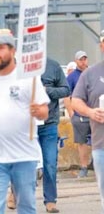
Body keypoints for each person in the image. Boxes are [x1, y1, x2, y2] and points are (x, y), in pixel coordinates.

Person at [0, 28, 50, 214]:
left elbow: (45, 111)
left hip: (24, 156)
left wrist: (39, 111)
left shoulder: (29, 78)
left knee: (26, 206)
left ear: (12, 51)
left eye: (1, 48)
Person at [71, 30, 104, 212]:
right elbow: (76, 100)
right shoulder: (90, 74)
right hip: (101, 145)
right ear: (101, 46)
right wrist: (91, 112)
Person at [37, 57, 71, 213]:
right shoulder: (20, 66)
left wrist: (47, 90)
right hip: (26, 124)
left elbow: (65, 89)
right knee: (24, 164)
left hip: (49, 124)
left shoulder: (53, 65)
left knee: (50, 163)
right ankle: (16, 193)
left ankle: (50, 200)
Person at [64, 51, 91, 178]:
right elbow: (66, 95)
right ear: (76, 61)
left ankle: (95, 164)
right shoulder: (72, 77)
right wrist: (71, 112)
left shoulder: (92, 74)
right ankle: (84, 166)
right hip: (79, 115)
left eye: (85, 59)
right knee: (82, 142)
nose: (83, 62)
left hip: (94, 113)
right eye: (81, 59)